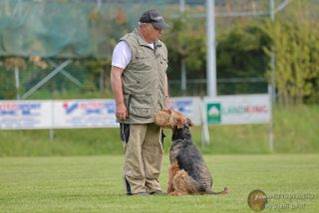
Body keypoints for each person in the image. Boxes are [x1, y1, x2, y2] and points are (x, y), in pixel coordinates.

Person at [110, 9, 170, 196]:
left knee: (155, 148)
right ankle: (136, 187)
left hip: (156, 109)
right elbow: (115, 74)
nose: (161, 32)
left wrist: (166, 100)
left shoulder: (161, 47)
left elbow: (163, 75)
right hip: (134, 108)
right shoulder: (126, 45)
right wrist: (120, 104)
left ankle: (153, 185)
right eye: (157, 28)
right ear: (144, 27)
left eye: (161, 28)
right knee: (134, 150)